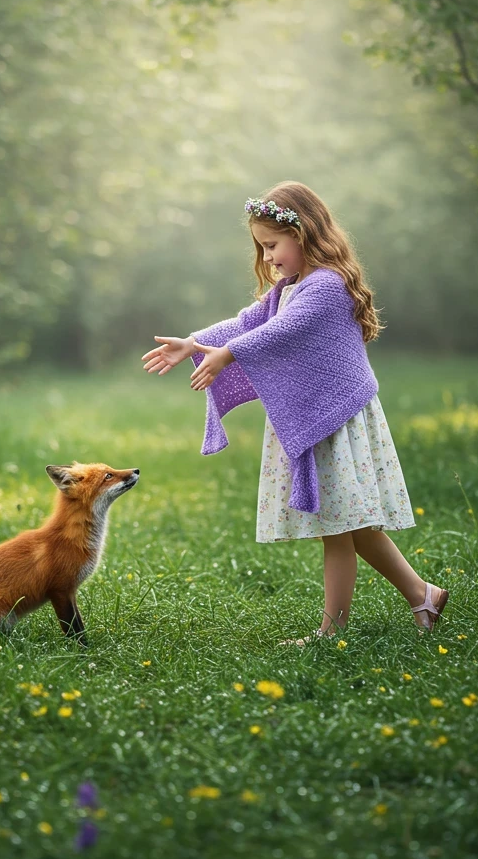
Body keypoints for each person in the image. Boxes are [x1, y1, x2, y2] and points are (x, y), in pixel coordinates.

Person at [141, 180, 448, 644]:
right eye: (261, 249)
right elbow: (247, 323)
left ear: (303, 233)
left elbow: (280, 332)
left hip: (335, 420)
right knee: (351, 525)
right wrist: (195, 342)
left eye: (272, 245)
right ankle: (423, 594)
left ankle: (332, 630)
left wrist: (226, 355)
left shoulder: (326, 286)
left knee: (338, 530)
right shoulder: (290, 286)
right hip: (318, 418)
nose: (267, 258)